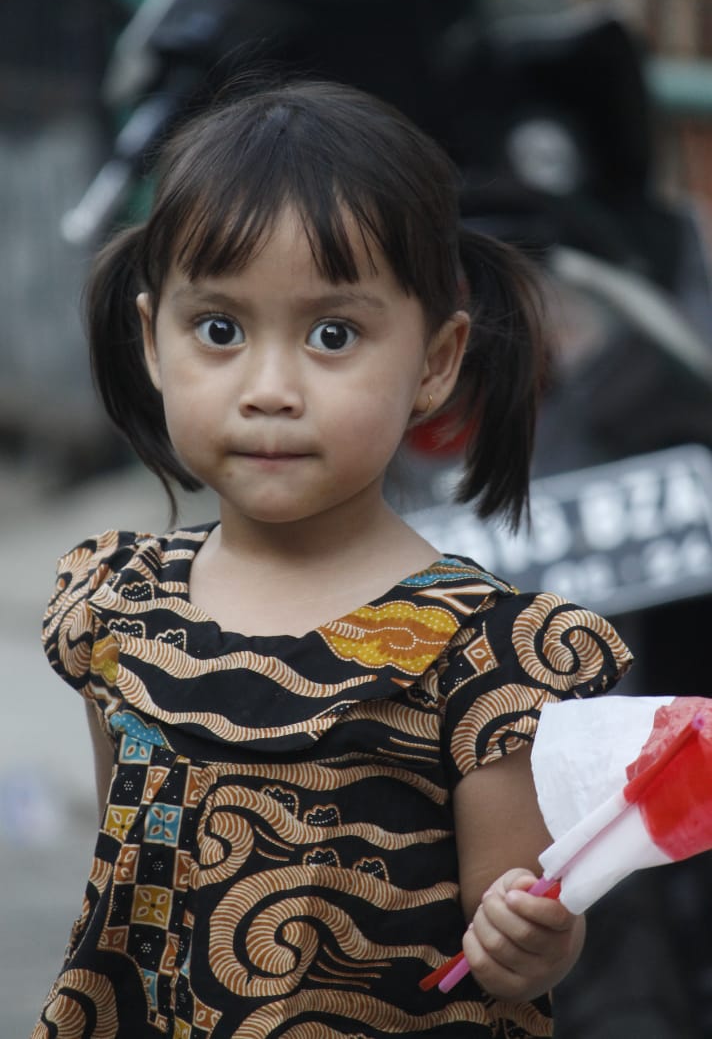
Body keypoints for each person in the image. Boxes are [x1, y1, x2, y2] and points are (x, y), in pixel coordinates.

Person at [34, 81, 632, 1038]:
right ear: (153, 341)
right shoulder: (119, 606)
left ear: (436, 362)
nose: (271, 390)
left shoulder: (479, 659)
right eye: (219, 330)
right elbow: (133, 889)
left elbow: (516, 936)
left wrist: (535, 939)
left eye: (333, 335)